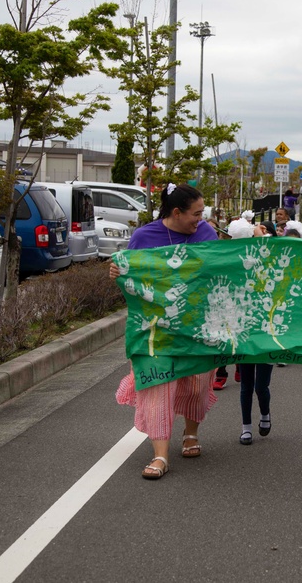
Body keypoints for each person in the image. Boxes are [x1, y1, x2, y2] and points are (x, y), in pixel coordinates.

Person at [110, 183, 219, 479]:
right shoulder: (145, 236)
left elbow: (223, 271)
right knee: (158, 385)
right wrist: (119, 273)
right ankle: (160, 455)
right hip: (155, 328)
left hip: (199, 326)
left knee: (197, 384)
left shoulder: (207, 234)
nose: (201, 218)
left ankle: (190, 432)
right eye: (196, 213)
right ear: (176, 212)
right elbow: (131, 273)